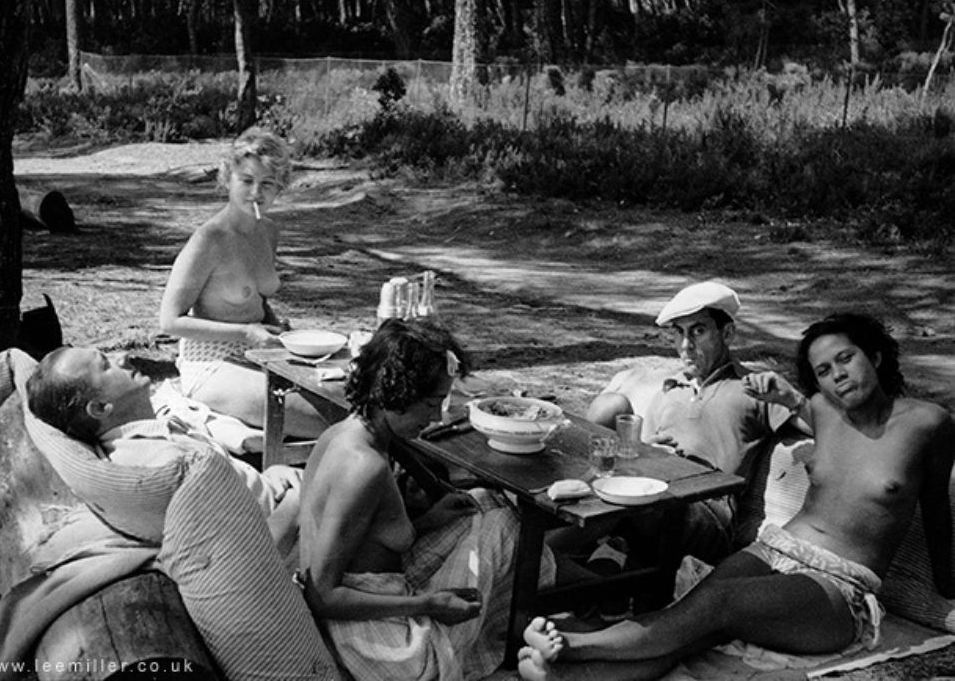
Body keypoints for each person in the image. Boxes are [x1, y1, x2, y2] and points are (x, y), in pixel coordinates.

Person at [518, 312, 954, 681]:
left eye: (846, 358)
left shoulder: (928, 423)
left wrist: (948, 587)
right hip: (776, 547)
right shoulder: (824, 411)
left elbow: (937, 511)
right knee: (691, 623)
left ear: (874, 356)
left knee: (717, 604)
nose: (838, 375)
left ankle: (572, 645)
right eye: (823, 371)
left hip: (839, 586)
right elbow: (797, 406)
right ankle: (563, 675)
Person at [297, 318, 555, 680]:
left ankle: (543, 611)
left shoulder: (341, 433)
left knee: (483, 501)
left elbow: (362, 542)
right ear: (398, 394)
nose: (436, 417)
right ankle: (539, 627)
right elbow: (321, 595)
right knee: (506, 527)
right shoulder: (364, 467)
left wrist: (429, 521)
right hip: (381, 650)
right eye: (431, 403)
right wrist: (429, 605)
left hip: (371, 601)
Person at [577, 281, 801, 564]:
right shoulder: (670, 390)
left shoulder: (752, 388)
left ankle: (575, 558)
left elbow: (824, 430)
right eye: (679, 333)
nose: (686, 346)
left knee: (630, 502)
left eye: (698, 331)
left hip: (706, 510)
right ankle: (579, 560)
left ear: (727, 333)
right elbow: (642, 457)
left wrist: (793, 398)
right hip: (656, 495)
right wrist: (647, 452)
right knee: (604, 485)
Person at [26, 345, 302, 553]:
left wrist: (271, 477)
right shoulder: (163, 464)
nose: (124, 357)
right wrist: (298, 501)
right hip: (297, 540)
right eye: (106, 365)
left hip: (285, 502)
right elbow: (253, 551)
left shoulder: (158, 437)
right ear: (100, 408)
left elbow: (244, 489)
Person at [159, 127, 325, 440]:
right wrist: (246, 332)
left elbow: (258, 299)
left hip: (259, 351)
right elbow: (169, 322)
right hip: (211, 360)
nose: (255, 193)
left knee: (341, 393)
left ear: (280, 188)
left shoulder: (268, 231)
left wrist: (278, 329)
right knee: (323, 418)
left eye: (267, 184)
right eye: (246, 180)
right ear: (228, 179)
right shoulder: (209, 239)